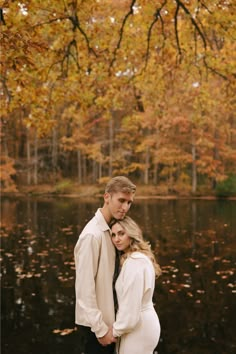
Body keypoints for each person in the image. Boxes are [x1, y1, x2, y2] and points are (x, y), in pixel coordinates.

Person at [74, 176, 136, 354]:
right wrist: (100, 330)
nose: (125, 207)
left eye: (129, 202)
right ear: (106, 197)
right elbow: (84, 291)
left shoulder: (112, 231)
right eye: (121, 200)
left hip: (109, 325)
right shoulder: (92, 236)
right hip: (95, 328)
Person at [108, 216, 162, 354]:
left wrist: (114, 331)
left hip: (139, 327)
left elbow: (131, 307)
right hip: (140, 324)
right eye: (113, 235)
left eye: (121, 233)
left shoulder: (135, 262)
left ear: (131, 234)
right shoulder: (136, 259)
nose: (116, 239)